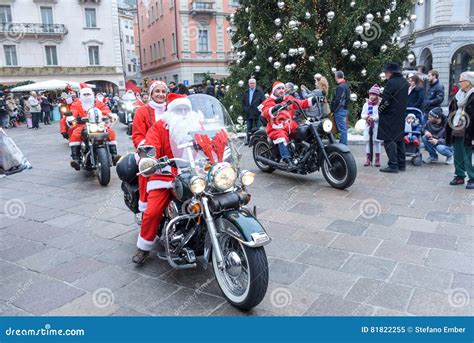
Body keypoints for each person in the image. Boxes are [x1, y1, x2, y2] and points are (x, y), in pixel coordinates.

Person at [132, 94, 195, 264]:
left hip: (194, 173)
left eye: (185, 109)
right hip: (164, 174)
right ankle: (144, 247)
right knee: (152, 211)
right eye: (178, 109)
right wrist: (150, 159)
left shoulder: (196, 123)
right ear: (171, 110)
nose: (182, 113)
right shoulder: (161, 126)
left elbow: (211, 141)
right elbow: (151, 145)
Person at [261, 81, 316, 168]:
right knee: (281, 137)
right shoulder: (270, 101)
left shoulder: (288, 98)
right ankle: (287, 159)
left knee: (304, 131)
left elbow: (300, 103)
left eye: (283, 88)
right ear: (274, 91)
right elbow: (266, 112)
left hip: (290, 125)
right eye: (279, 89)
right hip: (276, 127)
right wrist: (274, 108)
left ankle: (302, 153)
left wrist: (312, 100)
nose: (281, 90)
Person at [132, 81, 168, 212]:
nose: (160, 94)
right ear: (151, 93)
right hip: (149, 150)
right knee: (146, 170)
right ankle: (145, 207)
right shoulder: (142, 111)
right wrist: (147, 150)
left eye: (163, 91)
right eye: (157, 91)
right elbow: (137, 135)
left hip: (170, 151)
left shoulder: (171, 109)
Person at [68, 84, 120, 170]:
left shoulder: (98, 103)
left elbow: (105, 110)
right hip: (83, 125)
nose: (87, 96)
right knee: (75, 134)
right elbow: (73, 112)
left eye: (88, 94)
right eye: (85, 94)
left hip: (99, 124)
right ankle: (76, 159)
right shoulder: (76, 104)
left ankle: (114, 155)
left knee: (110, 132)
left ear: (92, 95)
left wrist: (110, 115)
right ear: (81, 95)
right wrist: (72, 118)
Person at [378, 62, 409, 173]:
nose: (385, 74)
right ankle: (402, 164)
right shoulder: (405, 82)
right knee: (399, 139)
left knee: (389, 140)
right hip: (400, 115)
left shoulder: (391, 83)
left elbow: (386, 101)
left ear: (390, 72)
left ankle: (393, 165)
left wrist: (379, 109)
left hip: (389, 116)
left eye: (386, 72)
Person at [446, 71, 474, 189]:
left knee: (468, 155)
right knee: (457, 153)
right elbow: (451, 110)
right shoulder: (458, 95)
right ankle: (459, 176)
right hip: (457, 127)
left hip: (469, 130)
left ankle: (472, 178)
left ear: (469, 82)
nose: (459, 83)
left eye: (462, 81)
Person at [361, 84, 382, 167]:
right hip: (368, 125)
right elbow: (362, 114)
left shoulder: (379, 105)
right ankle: (368, 159)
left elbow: (380, 115)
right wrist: (366, 117)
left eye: (373, 95)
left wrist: (374, 118)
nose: (371, 96)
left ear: (377, 95)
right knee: (368, 142)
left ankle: (377, 159)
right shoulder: (366, 105)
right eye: (370, 94)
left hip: (376, 126)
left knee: (377, 142)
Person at [242, 78, 265, 145]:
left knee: (258, 128)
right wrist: (245, 109)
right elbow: (243, 102)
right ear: (248, 84)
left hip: (257, 113)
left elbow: (263, 101)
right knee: (249, 128)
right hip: (249, 113)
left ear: (255, 84)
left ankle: (258, 141)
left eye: (253, 83)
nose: (252, 84)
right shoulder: (246, 92)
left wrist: (260, 110)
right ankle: (248, 140)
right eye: (251, 83)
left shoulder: (259, 91)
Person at [330, 71, 350, 145]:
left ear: (336, 77)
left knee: (342, 129)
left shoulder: (340, 87)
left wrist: (333, 110)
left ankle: (343, 145)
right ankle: (342, 144)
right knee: (343, 128)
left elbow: (338, 100)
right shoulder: (346, 86)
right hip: (344, 109)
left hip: (339, 110)